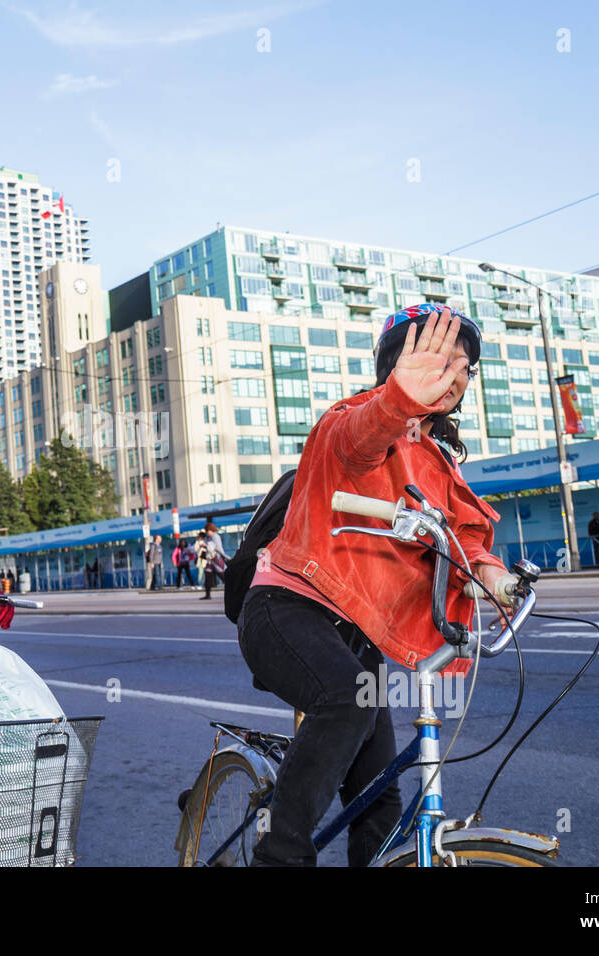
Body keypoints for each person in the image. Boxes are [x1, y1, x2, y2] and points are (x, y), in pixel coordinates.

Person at [237, 305, 516, 867]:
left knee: (380, 800)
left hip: (357, 631)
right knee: (345, 701)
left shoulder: (438, 460)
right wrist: (398, 400)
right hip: (288, 607)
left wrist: (489, 571)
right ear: (399, 363)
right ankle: (279, 858)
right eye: (441, 359)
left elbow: (463, 531)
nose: (456, 374)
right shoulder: (358, 418)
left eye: (466, 366)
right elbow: (357, 442)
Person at [200, 522, 226, 600]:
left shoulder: (215, 536)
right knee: (207, 575)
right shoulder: (210, 537)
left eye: (207, 531)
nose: (207, 533)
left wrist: (206, 545)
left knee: (222, 575)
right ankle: (207, 594)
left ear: (211, 530)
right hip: (210, 560)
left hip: (216, 559)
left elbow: (217, 548)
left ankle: (233, 590)